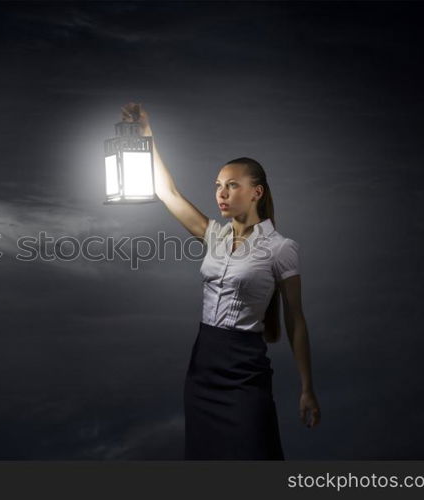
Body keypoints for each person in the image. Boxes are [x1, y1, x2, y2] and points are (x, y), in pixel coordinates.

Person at [120, 102, 321, 460]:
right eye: (217, 186)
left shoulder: (281, 248)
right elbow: (168, 193)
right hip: (203, 366)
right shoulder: (214, 235)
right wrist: (147, 136)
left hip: (245, 368)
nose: (221, 194)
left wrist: (307, 387)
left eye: (232, 185)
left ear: (256, 192)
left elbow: (296, 319)